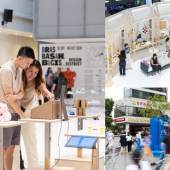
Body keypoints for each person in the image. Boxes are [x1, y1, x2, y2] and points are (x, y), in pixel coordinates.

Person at [0, 46, 35, 170]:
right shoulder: (6, 70)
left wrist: (15, 96)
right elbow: (9, 98)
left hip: (14, 112)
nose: (27, 66)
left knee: (13, 147)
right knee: (5, 147)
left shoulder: (19, 70)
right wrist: (21, 113)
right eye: (27, 63)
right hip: (6, 113)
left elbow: (21, 93)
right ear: (19, 58)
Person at [21, 59, 54, 169]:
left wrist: (49, 94)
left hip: (28, 113)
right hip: (14, 111)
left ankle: (33, 167)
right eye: (30, 71)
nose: (33, 75)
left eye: (36, 72)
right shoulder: (18, 78)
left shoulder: (37, 80)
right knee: (13, 145)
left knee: (31, 143)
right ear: (25, 68)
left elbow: (45, 90)